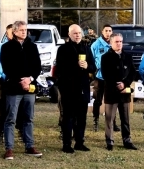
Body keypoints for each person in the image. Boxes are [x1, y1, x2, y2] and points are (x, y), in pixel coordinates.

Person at [0, 21, 42, 160]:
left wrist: (29, 79)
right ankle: (9, 149)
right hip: (13, 88)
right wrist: (20, 80)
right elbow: (7, 68)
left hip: (29, 89)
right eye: (21, 30)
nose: (24, 32)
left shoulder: (32, 47)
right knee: (10, 119)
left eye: (26, 30)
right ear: (15, 31)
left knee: (28, 118)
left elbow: (37, 66)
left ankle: (29, 146)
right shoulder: (6, 47)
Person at [55, 24, 96, 153]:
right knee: (68, 117)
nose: (77, 35)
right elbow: (60, 68)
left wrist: (87, 66)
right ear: (69, 34)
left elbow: (93, 68)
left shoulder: (87, 48)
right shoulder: (63, 49)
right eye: (75, 33)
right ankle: (66, 144)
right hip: (68, 88)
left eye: (79, 33)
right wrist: (76, 65)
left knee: (82, 117)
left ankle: (79, 142)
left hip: (83, 88)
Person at [101, 33, 138, 151]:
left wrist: (125, 83)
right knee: (109, 119)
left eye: (121, 42)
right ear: (111, 43)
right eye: (116, 42)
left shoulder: (127, 56)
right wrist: (117, 84)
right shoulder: (105, 57)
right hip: (111, 92)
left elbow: (133, 72)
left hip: (125, 93)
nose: (119, 44)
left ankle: (127, 140)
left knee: (125, 119)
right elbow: (106, 74)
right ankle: (109, 141)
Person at [0, 24, 24, 145]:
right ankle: (1, 132)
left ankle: (21, 131)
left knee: (21, 107)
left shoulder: (23, 46)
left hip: (20, 81)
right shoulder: (1, 47)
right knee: (3, 107)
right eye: (12, 32)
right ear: (8, 33)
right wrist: (1, 77)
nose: (14, 34)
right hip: (6, 82)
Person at [90, 24, 120, 132]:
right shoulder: (96, 45)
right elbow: (91, 59)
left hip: (112, 78)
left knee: (112, 100)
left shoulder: (115, 43)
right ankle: (95, 122)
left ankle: (113, 122)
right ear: (102, 32)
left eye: (110, 30)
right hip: (100, 77)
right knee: (97, 100)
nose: (108, 32)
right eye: (106, 30)